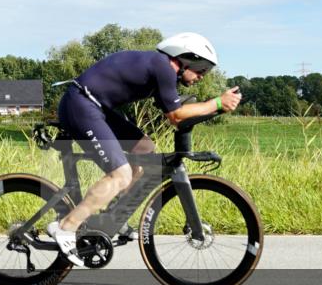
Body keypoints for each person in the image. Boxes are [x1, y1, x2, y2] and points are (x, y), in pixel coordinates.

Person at [47, 33, 242, 265]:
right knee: (121, 174)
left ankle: (112, 218)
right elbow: (177, 116)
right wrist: (217, 103)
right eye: (201, 70)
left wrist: (215, 107)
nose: (201, 76)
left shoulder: (161, 69)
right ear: (185, 59)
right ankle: (66, 227)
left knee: (144, 149)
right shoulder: (163, 67)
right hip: (81, 104)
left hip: (96, 106)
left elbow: (179, 114)